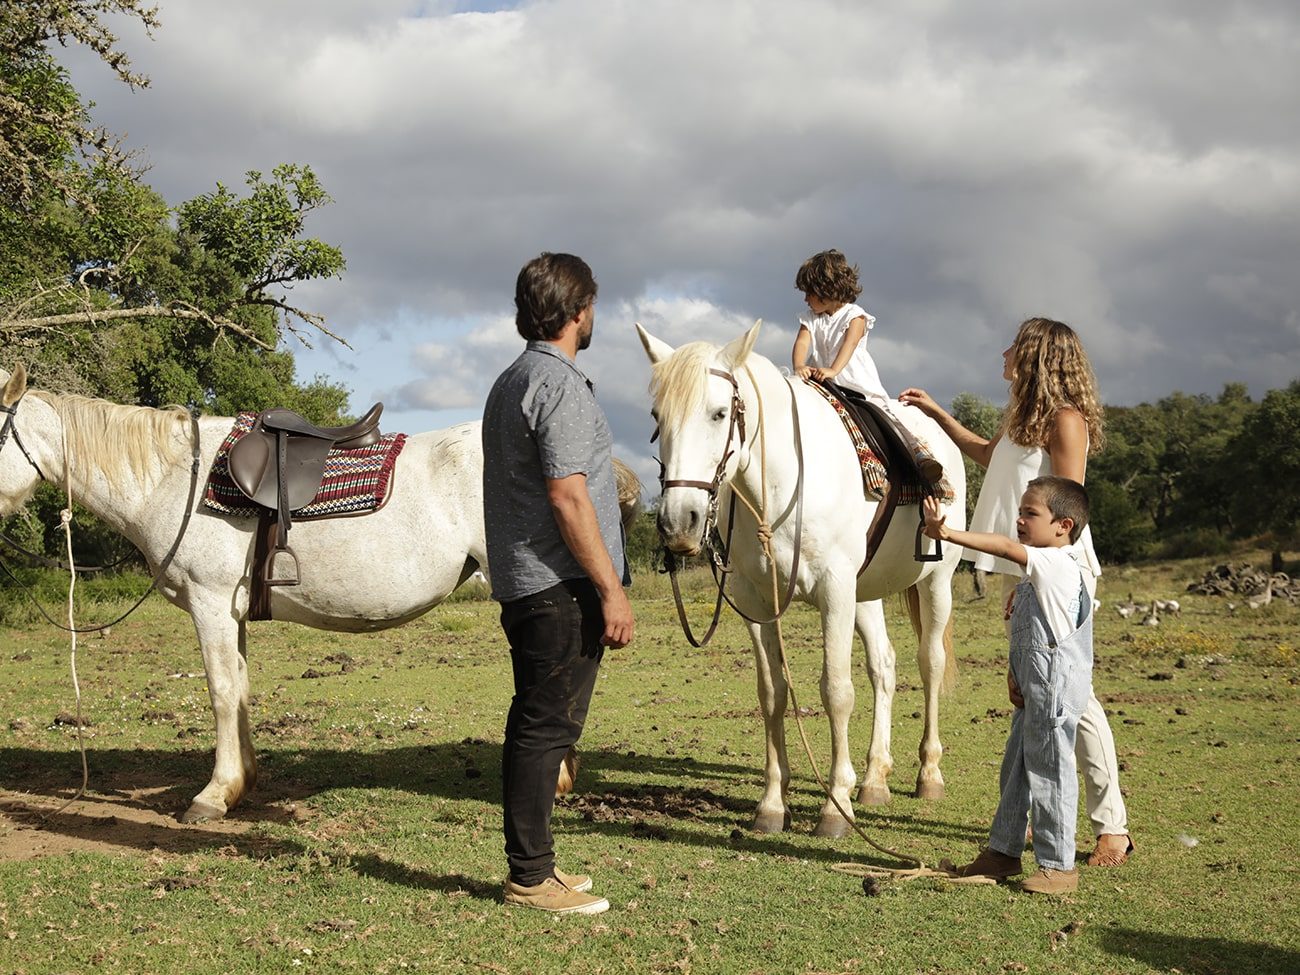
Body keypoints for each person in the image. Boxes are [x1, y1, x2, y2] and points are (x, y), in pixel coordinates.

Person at [899, 317, 1134, 868]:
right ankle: (1025, 821)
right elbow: (989, 456)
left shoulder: (1066, 421)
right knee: (1035, 692)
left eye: (1014, 348)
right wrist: (937, 415)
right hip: (1020, 567)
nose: (1003, 353)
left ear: (1035, 359)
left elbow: (1069, 506)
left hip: (1052, 570)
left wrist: (1039, 582)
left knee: (1073, 697)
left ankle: (1110, 827)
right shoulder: (1025, 419)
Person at [482, 252, 634, 915]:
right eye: (592, 304)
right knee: (544, 729)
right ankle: (529, 877)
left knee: (540, 724)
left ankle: (539, 863)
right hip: (558, 586)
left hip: (525, 582)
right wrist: (612, 588)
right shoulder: (562, 386)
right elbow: (569, 497)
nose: (593, 314)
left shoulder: (510, 379)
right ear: (578, 311)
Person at [922, 476, 1094, 894]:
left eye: (1030, 514)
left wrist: (946, 533)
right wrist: (1016, 674)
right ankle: (1003, 851)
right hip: (1034, 688)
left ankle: (1059, 867)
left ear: (1063, 526)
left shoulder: (1055, 563)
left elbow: (1002, 547)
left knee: (1051, 772)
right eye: (1019, 512)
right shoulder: (1039, 571)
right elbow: (1036, 634)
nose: (1019, 521)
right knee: (1016, 768)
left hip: (1052, 690)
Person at [793, 249, 943, 485]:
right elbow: (803, 341)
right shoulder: (810, 317)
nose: (805, 299)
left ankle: (918, 454)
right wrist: (799, 365)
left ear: (826, 290)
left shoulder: (856, 316)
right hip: (823, 382)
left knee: (886, 416)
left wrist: (833, 370)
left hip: (854, 382)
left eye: (809, 293)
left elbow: (849, 344)